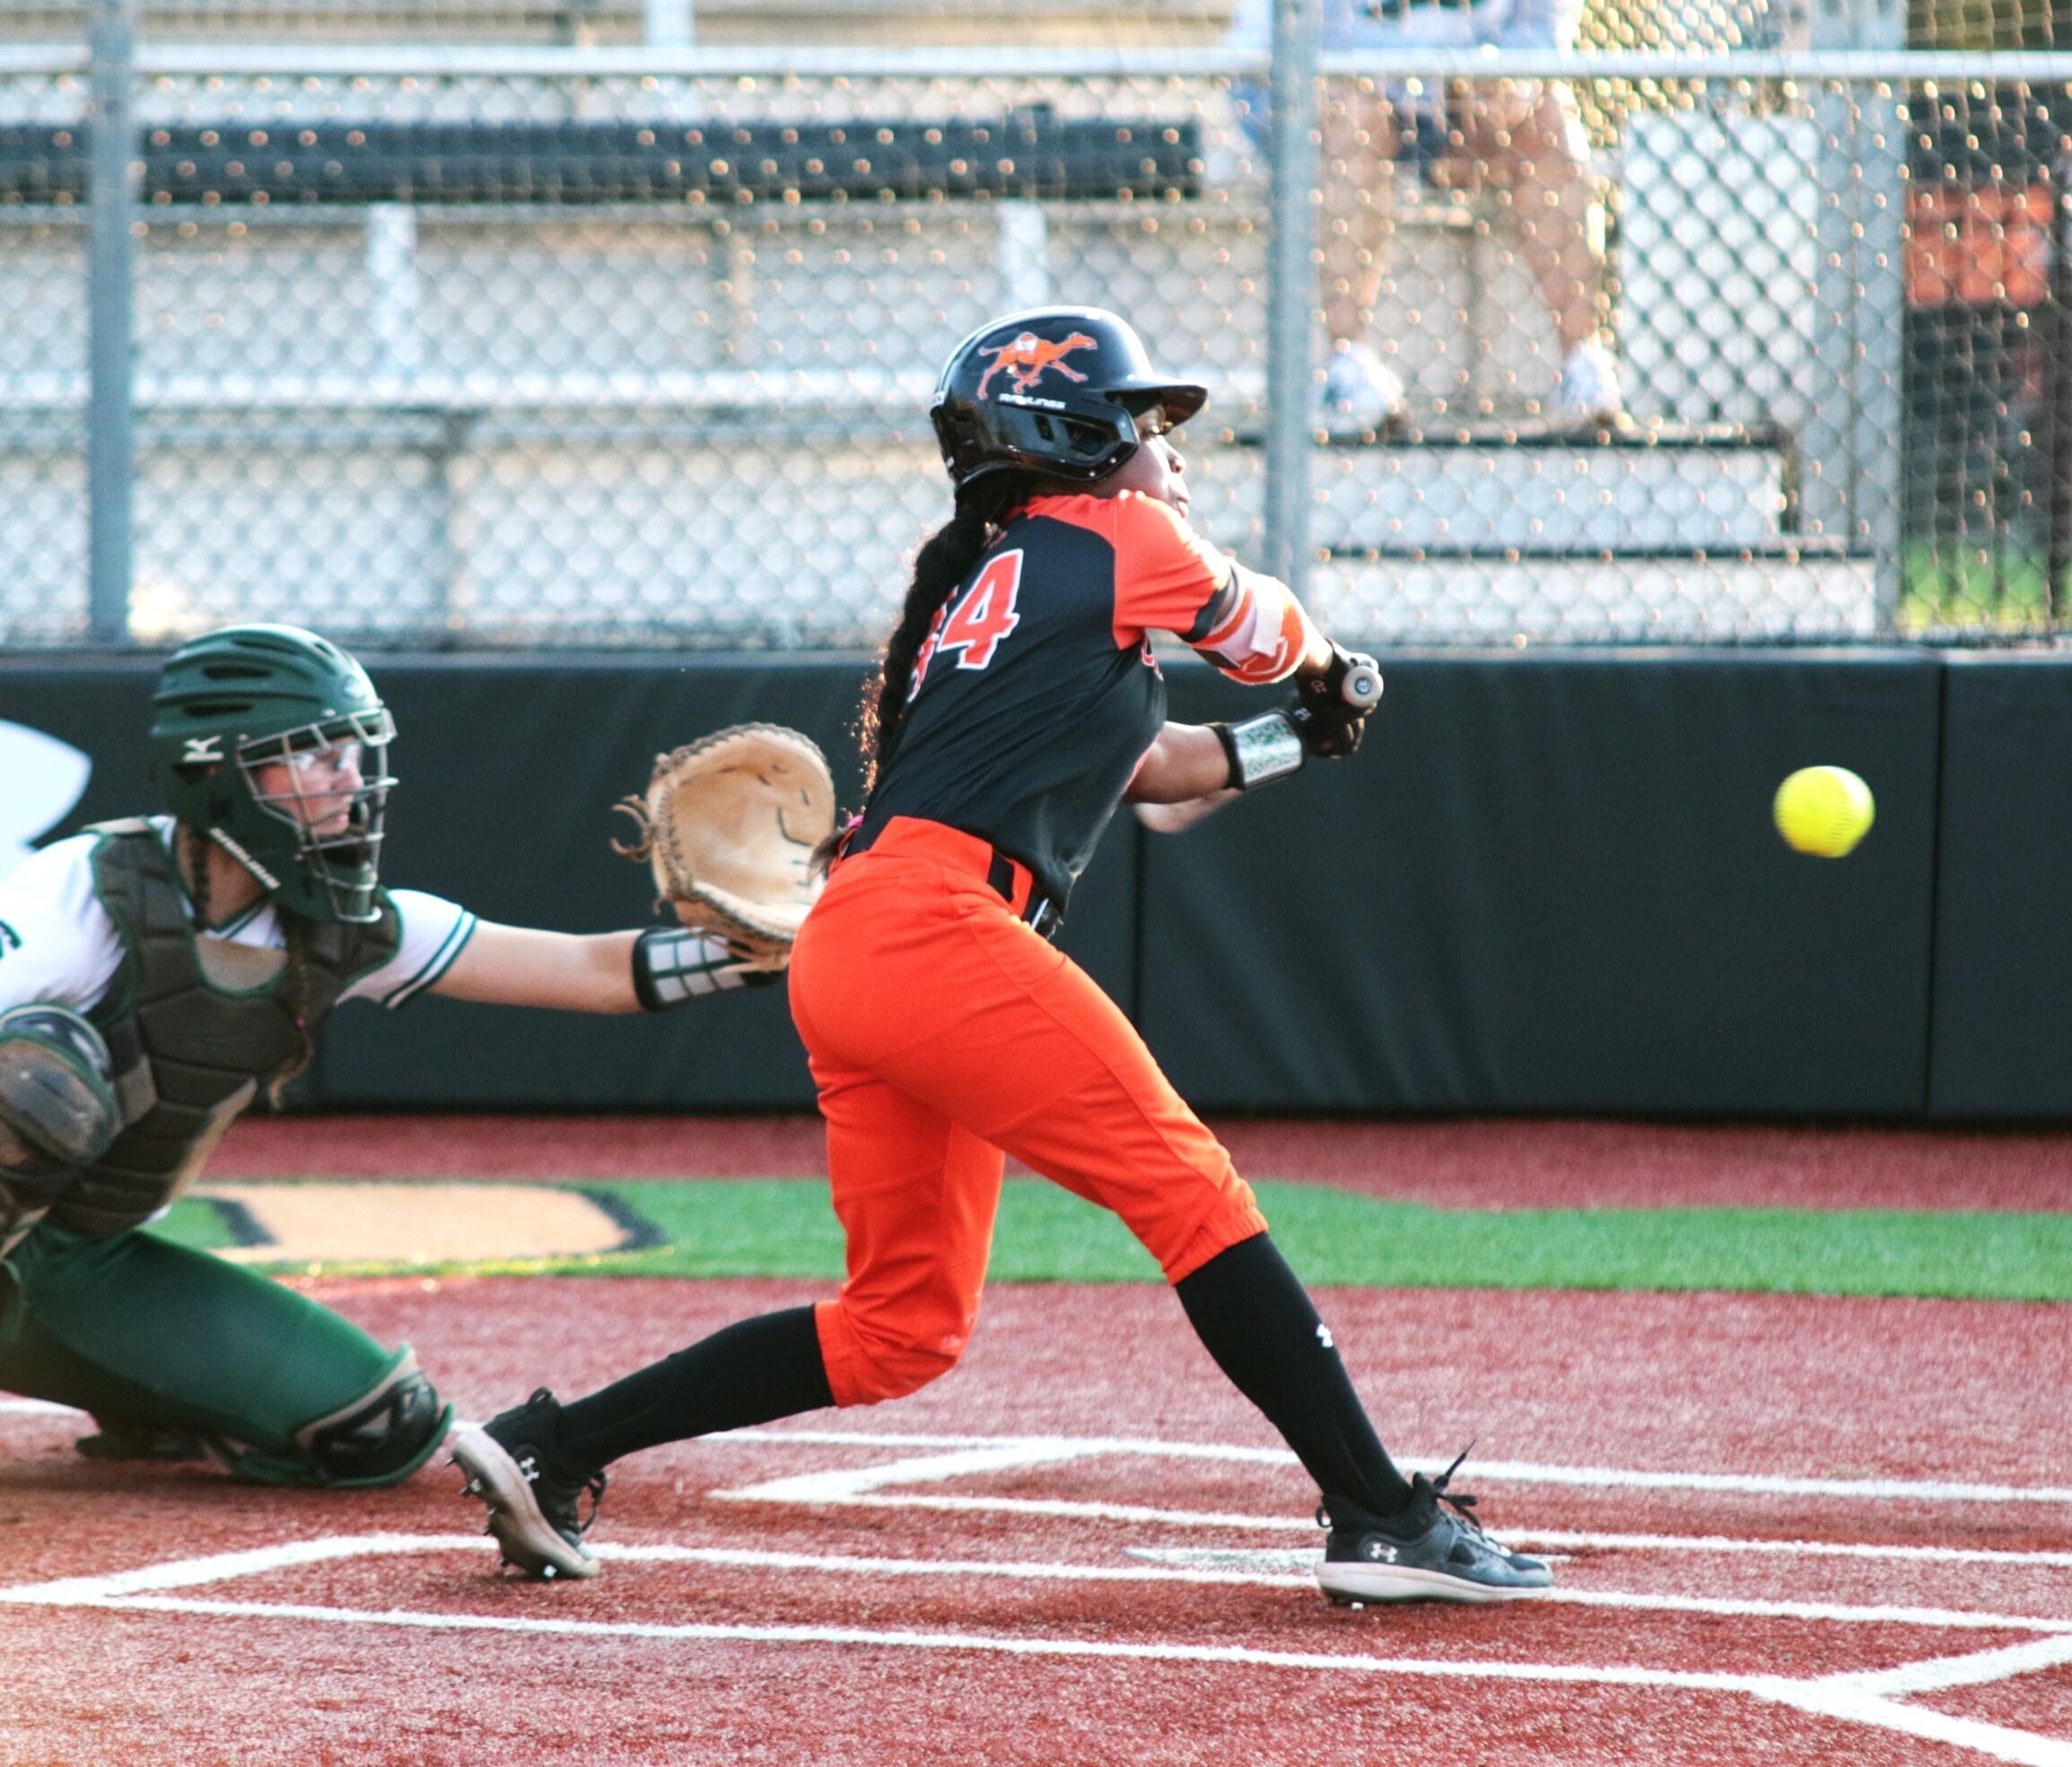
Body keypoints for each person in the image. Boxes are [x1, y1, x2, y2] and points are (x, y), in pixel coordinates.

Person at [452, 308, 1553, 1606]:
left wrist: (1303, 739)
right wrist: (1324, 675)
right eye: (1145, 428)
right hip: (937, 928)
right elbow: (1265, 629)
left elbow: (1157, 770)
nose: (1171, 457)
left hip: (866, 945)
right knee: (1189, 1190)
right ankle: (1382, 1513)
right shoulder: (1119, 537)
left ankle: (553, 1441)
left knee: (899, 1328)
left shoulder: (995, 593)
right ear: (1075, 437)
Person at [0, 623, 770, 1491]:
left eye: (355, 753)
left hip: (83, 1260)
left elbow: (589, 970)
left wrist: (773, 947)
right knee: (35, 1076)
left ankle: (153, 1393)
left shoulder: (345, 925)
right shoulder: (78, 894)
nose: (350, 780)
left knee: (377, 1430)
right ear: (218, 771)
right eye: (315, 755)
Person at [1235, 0, 1624, 432]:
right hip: (1341, 90)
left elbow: (1544, 25)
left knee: (1551, 115)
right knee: (1355, 111)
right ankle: (1348, 368)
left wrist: (1507, 79)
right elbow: (1285, 44)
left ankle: (1583, 366)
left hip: (1469, 91)